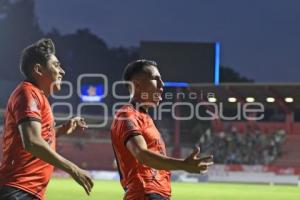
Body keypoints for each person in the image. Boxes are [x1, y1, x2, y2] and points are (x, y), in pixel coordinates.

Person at [0, 38, 93, 200]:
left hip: (27, 191)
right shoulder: (27, 94)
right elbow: (32, 142)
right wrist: (73, 169)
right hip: (18, 190)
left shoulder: (36, 96)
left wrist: (63, 129)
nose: (62, 71)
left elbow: (36, 138)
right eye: (56, 65)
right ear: (38, 69)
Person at [110, 60, 213, 200]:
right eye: (156, 79)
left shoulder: (145, 118)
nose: (162, 85)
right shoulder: (126, 114)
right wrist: (183, 165)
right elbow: (142, 154)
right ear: (137, 85)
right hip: (145, 193)